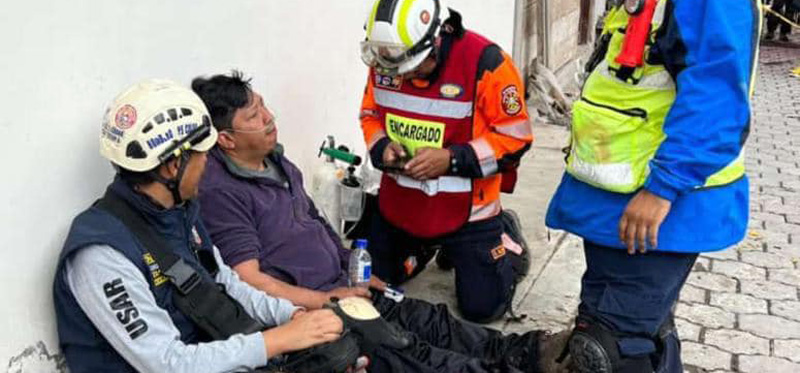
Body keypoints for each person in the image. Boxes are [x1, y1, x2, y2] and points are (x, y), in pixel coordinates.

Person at [192, 71, 568, 373]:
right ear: (226, 139)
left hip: (344, 286)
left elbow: (315, 222)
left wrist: (349, 266)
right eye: (254, 117)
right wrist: (324, 299)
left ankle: (530, 352)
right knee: (410, 352)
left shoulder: (278, 163)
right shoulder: (220, 193)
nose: (269, 118)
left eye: (263, 106)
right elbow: (250, 280)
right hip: (317, 310)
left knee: (427, 318)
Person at [546, 0, 761, 372]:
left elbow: (717, 105)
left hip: (655, 207)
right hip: (623, 204)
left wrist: (661, 190)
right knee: (630, 327)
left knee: (611, 346)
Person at [53, 80, 348, 373]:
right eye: (202, 153)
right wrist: (275, 341)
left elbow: (227, 284)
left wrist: (291, 316)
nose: (208, 162)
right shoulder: (101, 255)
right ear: (173, 166)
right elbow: (167, 364)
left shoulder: (179, 212)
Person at [357, 0, 534, 324]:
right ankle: (425, 246)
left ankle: (507, 236)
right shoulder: (388, 58)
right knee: (369, 285)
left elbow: (516, 140)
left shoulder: (487, 63)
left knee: (483, 308)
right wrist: (381, 147)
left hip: (469, 211)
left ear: (435, 41)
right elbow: (370, 114)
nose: (400, 75)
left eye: (412, 67)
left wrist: (452, 159)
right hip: (402, 203)